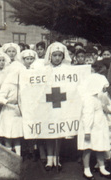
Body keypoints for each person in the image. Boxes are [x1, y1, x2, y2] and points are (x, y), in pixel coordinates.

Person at [0, 50, 37, 156]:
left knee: (17, 135)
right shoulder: (8, 84)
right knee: (8, 135)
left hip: (18, 112)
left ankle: (18, 156)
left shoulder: (23, 84)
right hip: (9, 112)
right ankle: (9, 155)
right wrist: (7, 102)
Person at [78, 63, 111, 180]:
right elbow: (87, 116)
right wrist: (87, 131)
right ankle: (86, 169)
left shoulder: (100, 97)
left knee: (100, 146)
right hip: (90, 126)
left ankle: (102, 167)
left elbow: (110, 107)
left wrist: (106, 107)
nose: (105, 89)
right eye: (103, 86)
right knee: (87, 148)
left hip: (100, 125)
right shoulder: (88, 99)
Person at [42, 42, 72, 170]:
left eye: (60, 55)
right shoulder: (44, 70)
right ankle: (50, 158)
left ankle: (57, 157)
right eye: (55, 55)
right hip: (48, 102)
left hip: (61, 102)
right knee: (50, 130)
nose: (57, 58)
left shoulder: (67, 70)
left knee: (60, 130)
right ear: (50, 56)